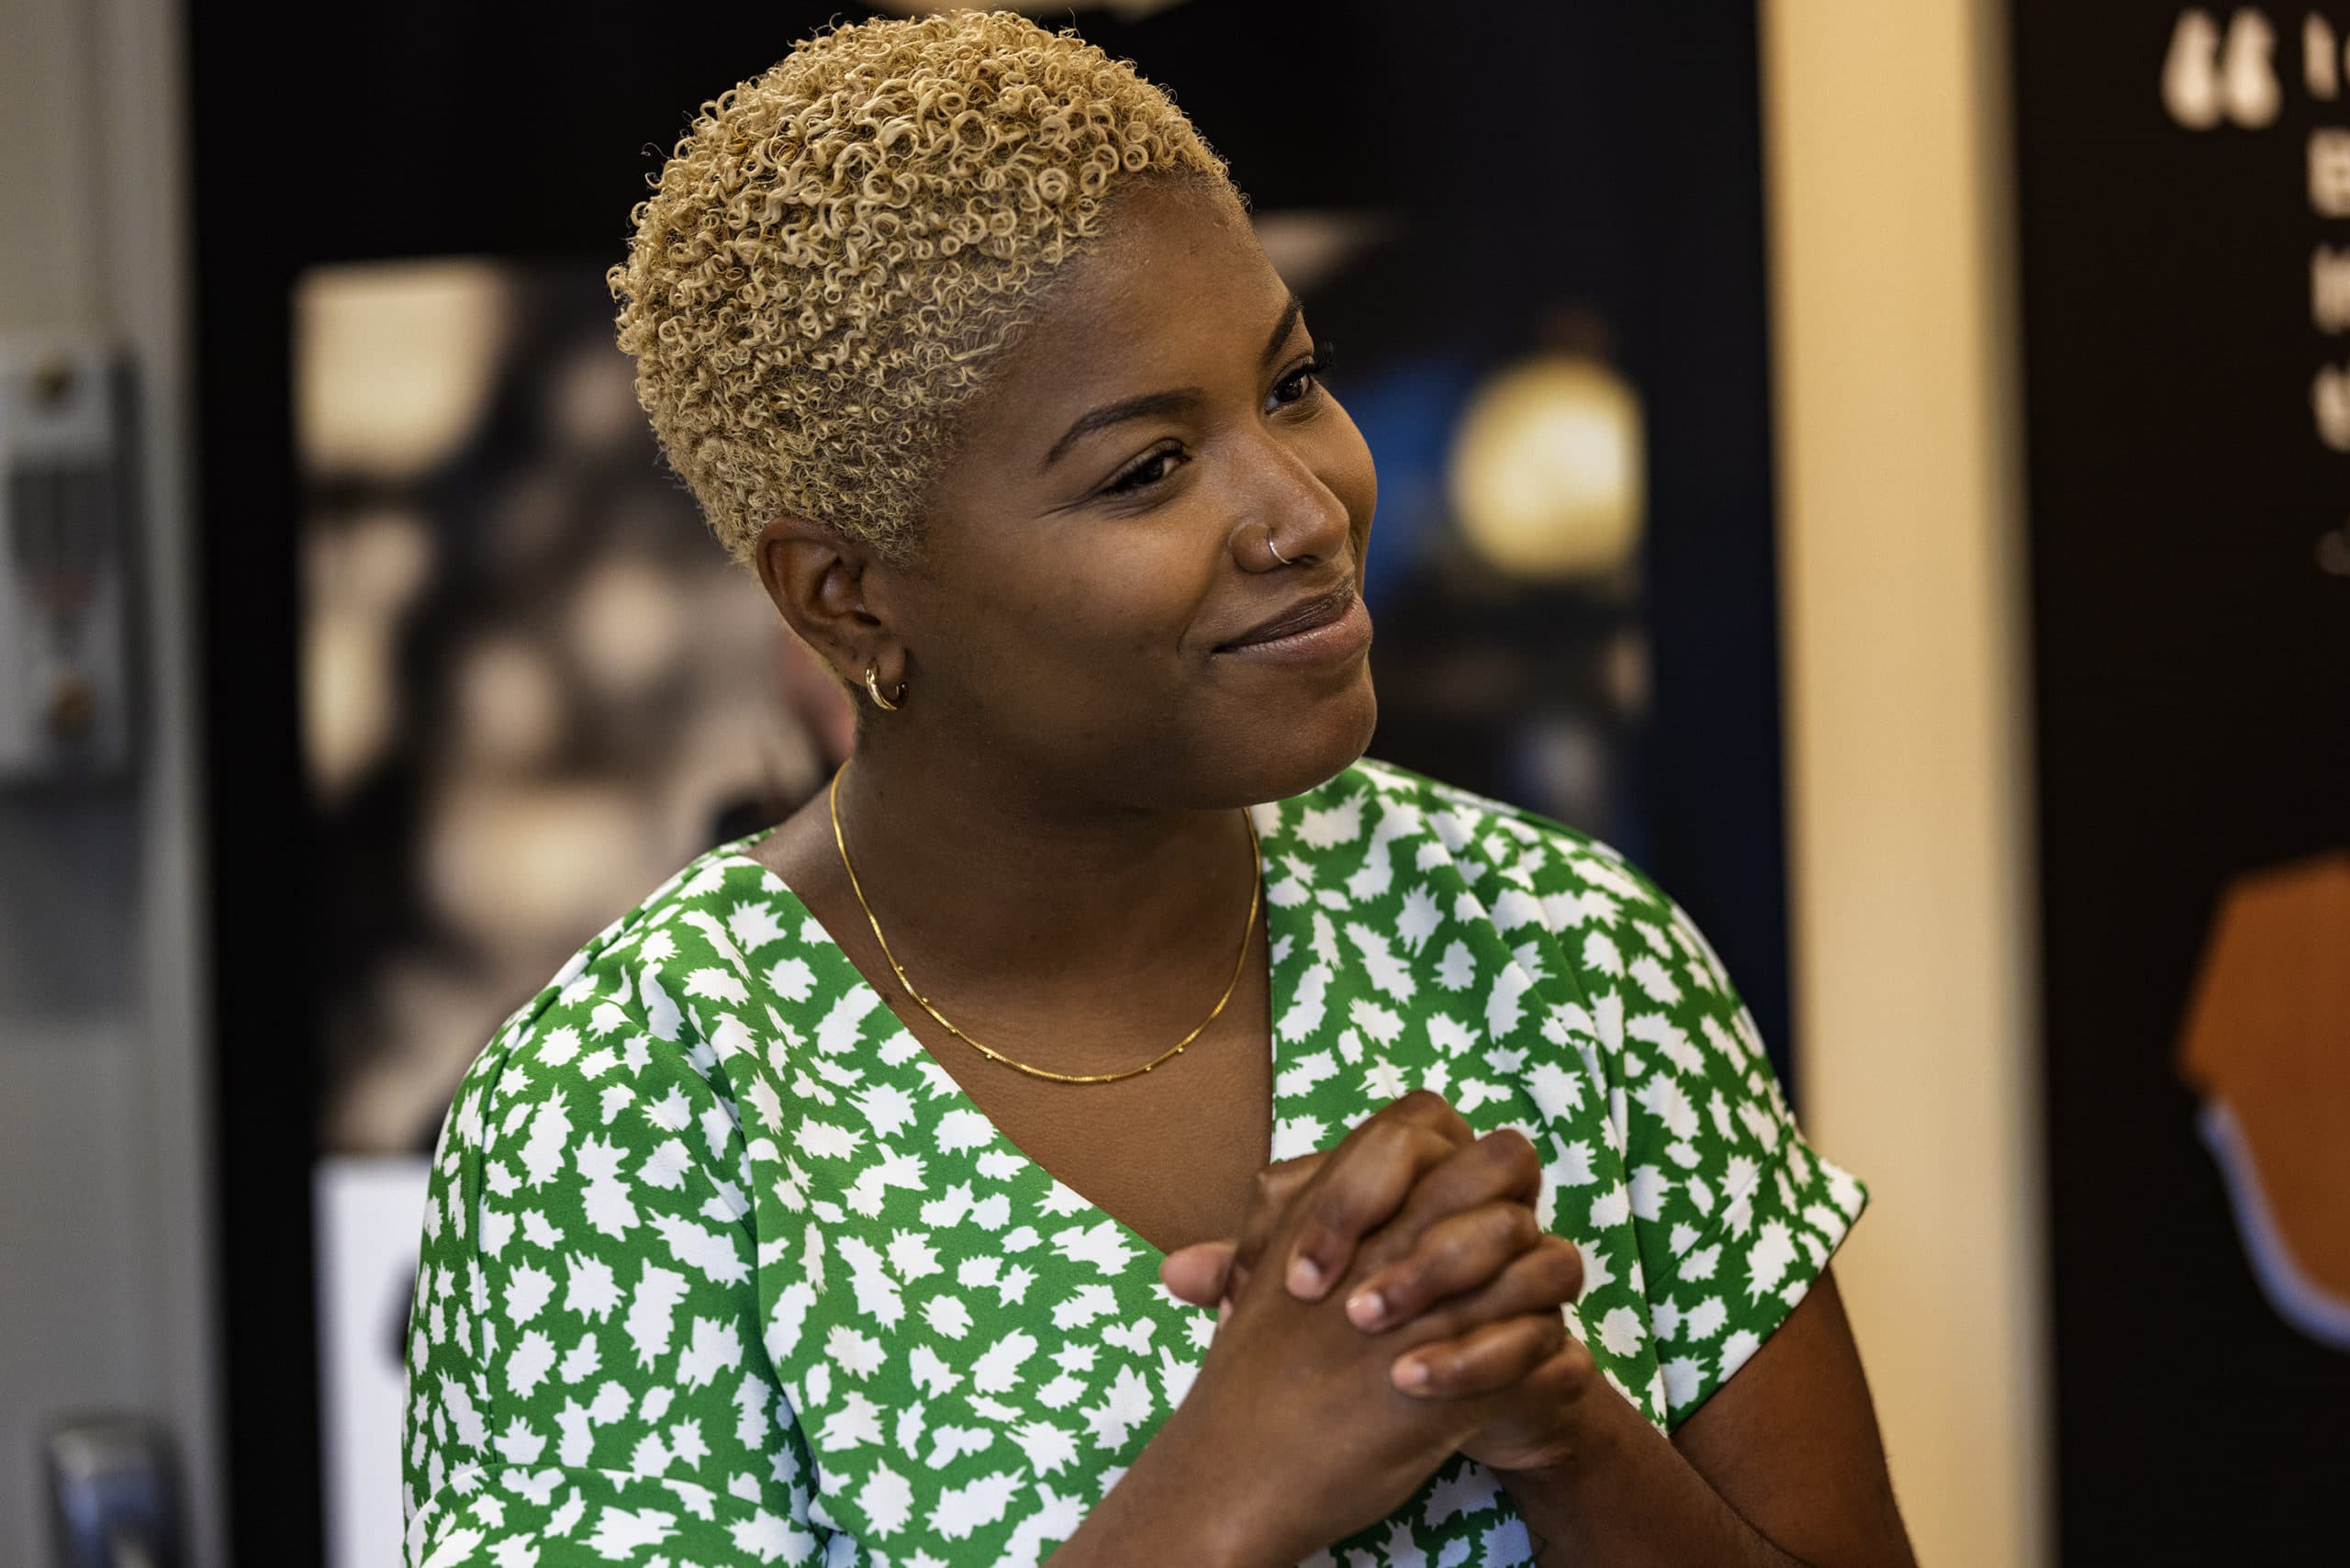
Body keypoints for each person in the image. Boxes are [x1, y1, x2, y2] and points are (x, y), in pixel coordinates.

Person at [400, 12, 1916, 1565]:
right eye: (1146, 470)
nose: (1303, 508)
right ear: (847, 599)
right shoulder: (626, 1114)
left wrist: (1556, 1421)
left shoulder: (1563, 952)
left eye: (1292, 383)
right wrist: (1232, 1481)